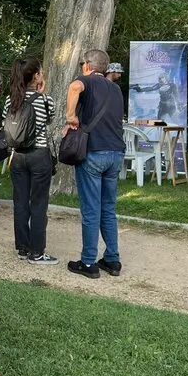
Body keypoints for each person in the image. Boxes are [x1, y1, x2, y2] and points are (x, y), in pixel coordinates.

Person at [64, 49, 126, 279]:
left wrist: (70, 115)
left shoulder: (86, 81)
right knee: (108, 209)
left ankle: (88, 261)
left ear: (88, 65)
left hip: (94, 152)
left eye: (83, 64)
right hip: (115, 153)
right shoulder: (116, 90)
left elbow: (73, 88)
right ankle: (112, 259)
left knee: (91, 210)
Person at [5, 58, 57, 265]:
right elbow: (49, 120)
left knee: (20, 202)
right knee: (38, 203)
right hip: (39, 155)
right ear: (36, 76)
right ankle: (37, 251)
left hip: (17, 156)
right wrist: (41, 93)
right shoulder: (45, 100)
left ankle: (23, 247)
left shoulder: (11, 101)